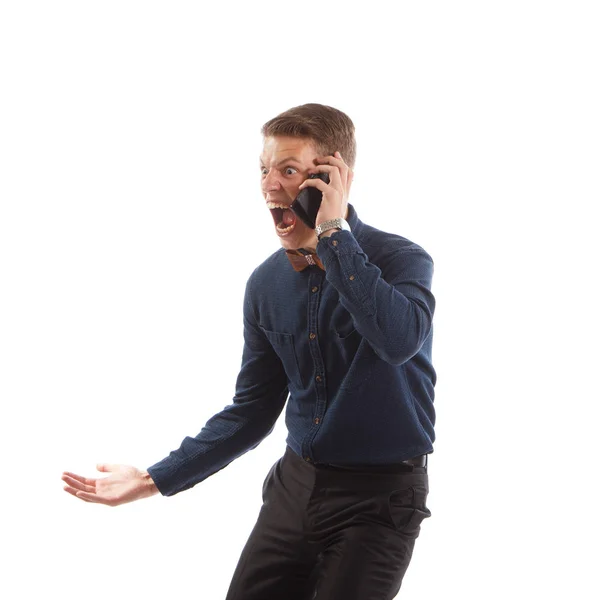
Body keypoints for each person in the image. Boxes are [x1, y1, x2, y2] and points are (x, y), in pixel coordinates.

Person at [62, 103, 437, 599]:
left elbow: (397, 341)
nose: (268, 186)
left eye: (287, 170)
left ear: (332, 177)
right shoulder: (265, 285)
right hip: (294, 488)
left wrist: (332, 235)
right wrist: (155, 479)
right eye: (263, 170)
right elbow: (252, 411)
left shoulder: (401, 260)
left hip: (378, 502)